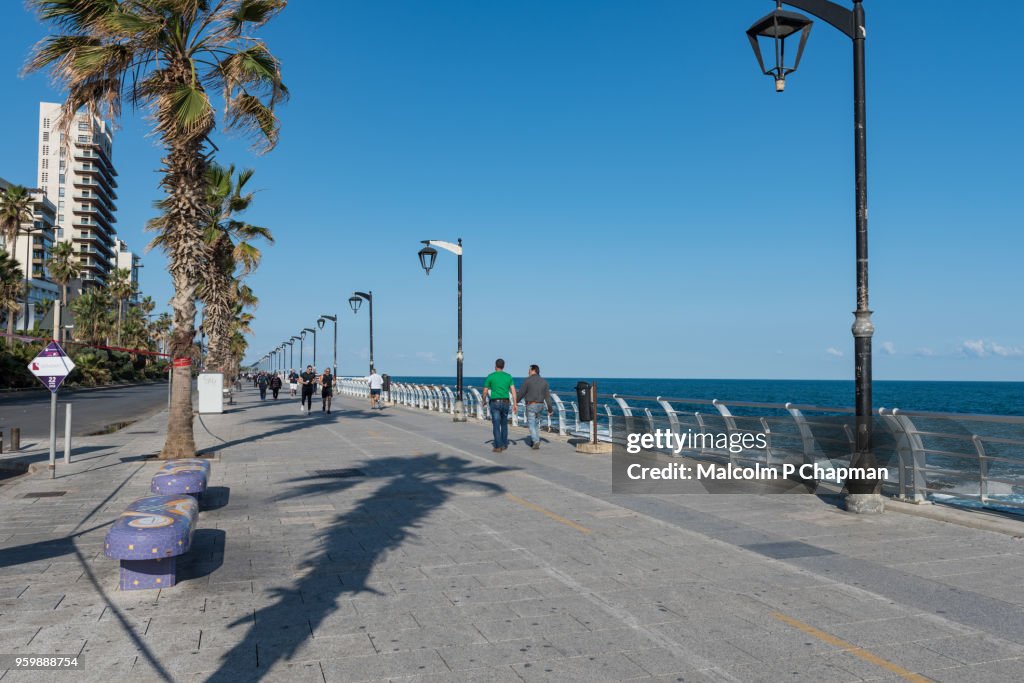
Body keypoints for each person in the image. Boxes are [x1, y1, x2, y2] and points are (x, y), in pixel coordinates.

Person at [482, 358, 517, 452]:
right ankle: (504, 444)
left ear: (495, 366)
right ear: (503, 366)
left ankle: (498, 446)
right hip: (506, 402)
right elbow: (513, 390)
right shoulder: (508, 376)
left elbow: (485, 390)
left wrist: (484, 400)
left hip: (495, 403)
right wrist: (515, 403)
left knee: (496, 424)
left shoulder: (491, 376)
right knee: (504, 424)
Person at [516, 364, 553, 450]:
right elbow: (547, 396)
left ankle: (536, 441)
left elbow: (521, 393)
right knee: (536, 424)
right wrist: (550, 409)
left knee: (531, 424)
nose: (528, 372)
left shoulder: (527, 380)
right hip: (540, 405)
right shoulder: (544, 381)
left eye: (529, 370)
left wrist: (515, 402)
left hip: (531, 405)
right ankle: (536, 439)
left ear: (533, 370)